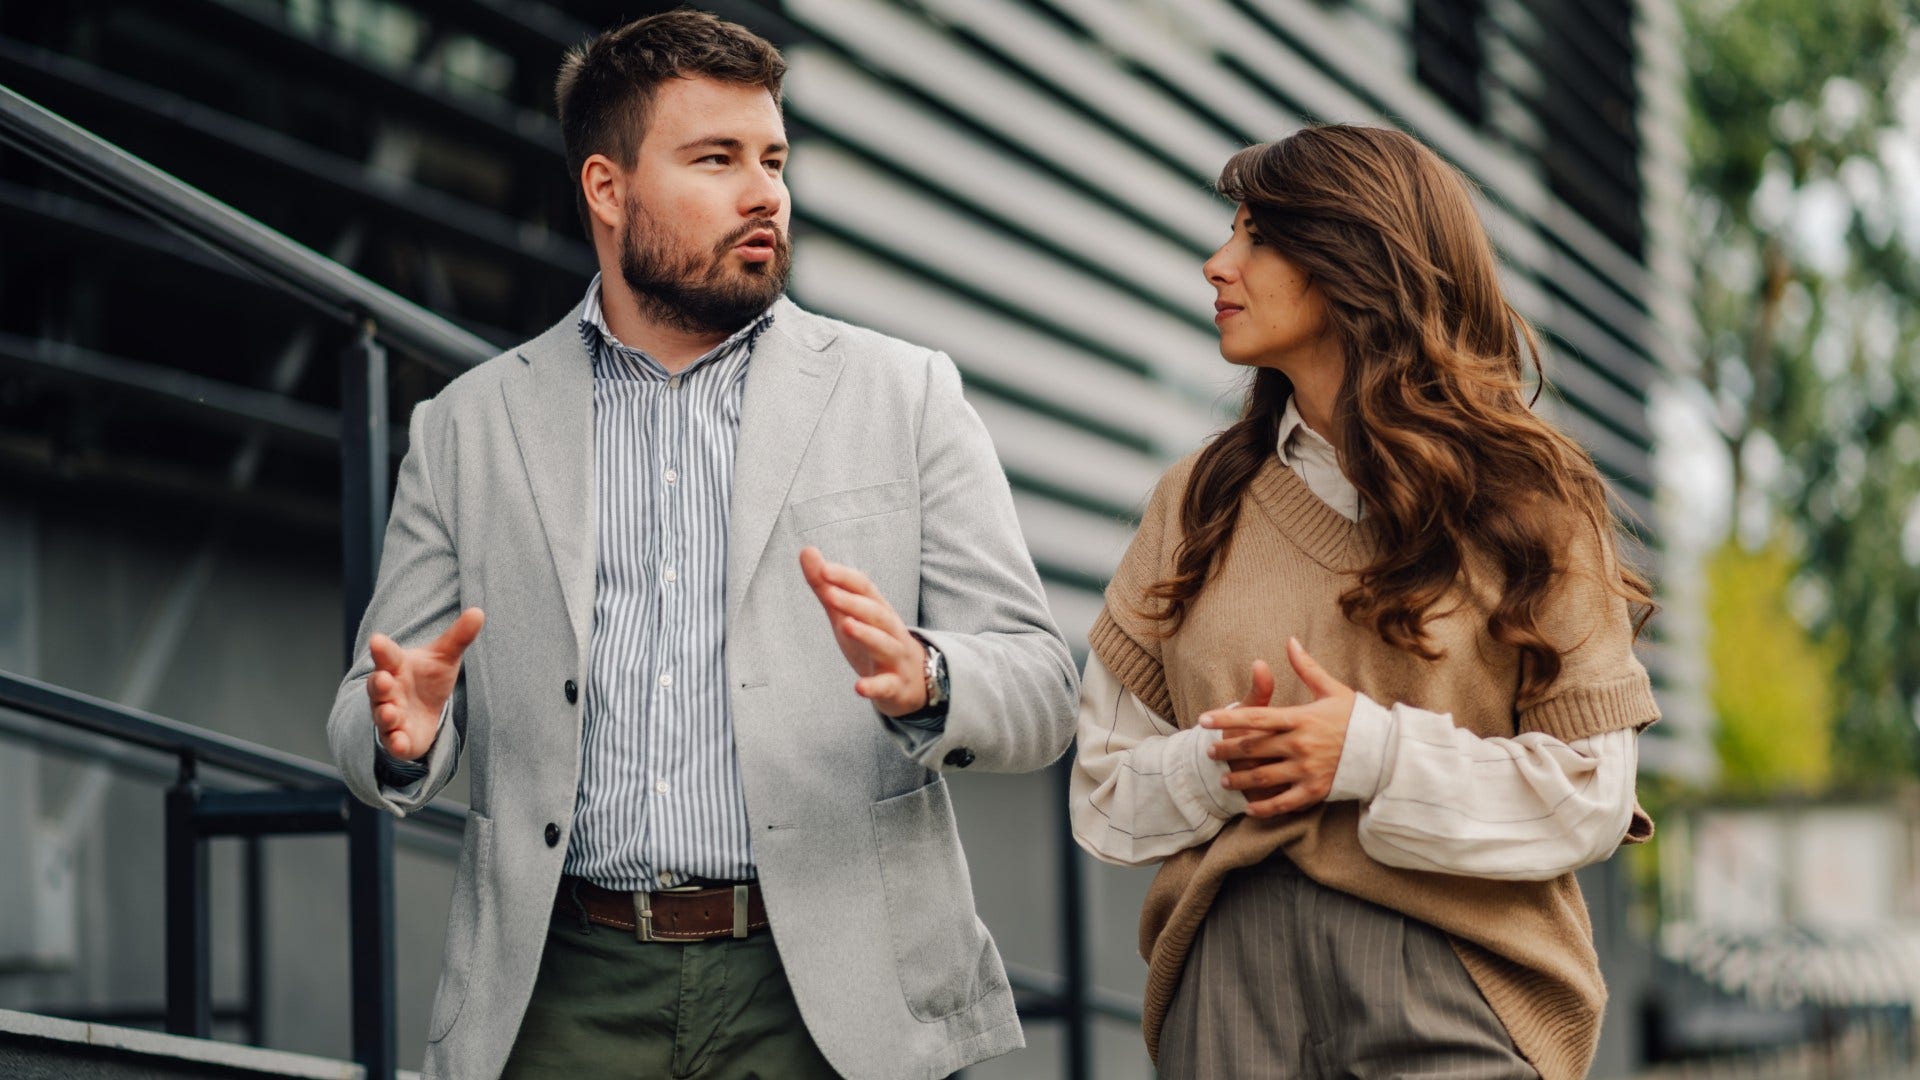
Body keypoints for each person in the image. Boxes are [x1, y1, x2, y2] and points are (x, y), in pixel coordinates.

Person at [326, 11, 1076, 1079]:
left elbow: (1046, 684)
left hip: (831, 992)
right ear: (607, 189)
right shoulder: (467, 427)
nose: (764, 191)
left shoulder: (903, 396)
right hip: (562, 991)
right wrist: (402, 733)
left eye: (773, 159)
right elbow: (365, 710)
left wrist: (931, 678)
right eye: (716, 160)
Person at [1070, 124, 1659, 1080]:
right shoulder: (1195, 502)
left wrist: (1369, 754)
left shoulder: (1530, 502)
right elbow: (1103, 793)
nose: (1218, 261)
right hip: (1226, 988)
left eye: (1258, 234)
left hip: (1456, 982)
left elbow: (1593, 797)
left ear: (1358, 258)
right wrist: (1236, 761)